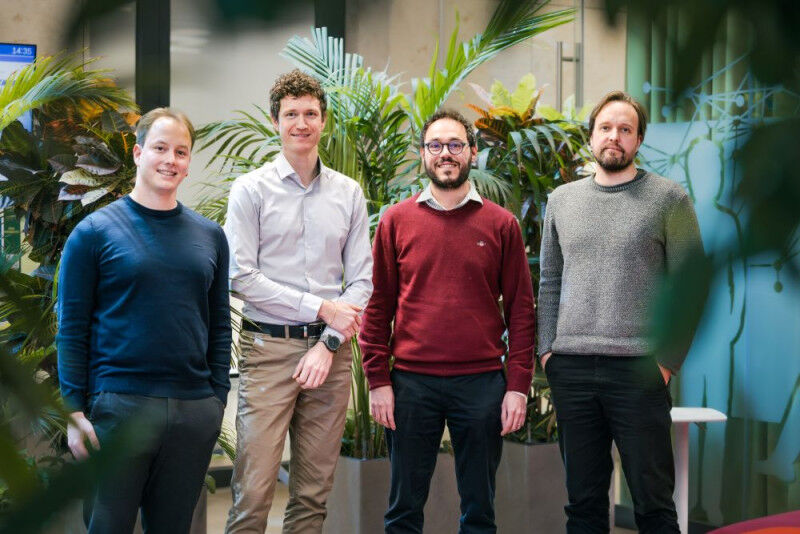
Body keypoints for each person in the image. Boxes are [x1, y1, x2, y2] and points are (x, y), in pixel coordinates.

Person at [359, 109, 536, 534]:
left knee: (479, 512)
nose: (445, 153)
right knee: (403, 511)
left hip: (481, 385)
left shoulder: (502, 224)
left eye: (455, 145)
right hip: (411, 385)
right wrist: (378, 380)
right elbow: (378, 306)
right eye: (435, 145)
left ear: (472, 152)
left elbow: (521, 312)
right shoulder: (395, 221)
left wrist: (517, 387)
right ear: (423, 154)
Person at [57, 107, 231, 534]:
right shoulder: (93, 233)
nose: (170, 160)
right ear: (138, 153)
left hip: (193, 410)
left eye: (181, 152)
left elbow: (219, 324)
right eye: (160, 148)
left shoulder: (210, 235)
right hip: (119, 407)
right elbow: (72, 328)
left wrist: (216, 400)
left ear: (188, 162)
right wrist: (74, 411)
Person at [537, 90, 703, 533]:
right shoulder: (562, 200)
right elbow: (549, 281)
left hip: (639, 369)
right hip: (571, 369)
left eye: (625, 129)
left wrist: (666, 363)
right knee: (583, 506)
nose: (615, 136)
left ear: (639, 139)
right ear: (591, 136)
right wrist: (548, 352)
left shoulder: (668, 199)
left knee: (653, 506)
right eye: (606, 127)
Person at [223, 69, 373, 534]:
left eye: (310, 113)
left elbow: (362, 281)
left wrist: (327, 343)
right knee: (253, 494)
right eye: (291, 114)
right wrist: (321, 308)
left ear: (324, 121)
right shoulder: (251, 190)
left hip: (331, 356)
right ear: (275, 121)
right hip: (268, 351)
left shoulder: (348, 193)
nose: (301, 123)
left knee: (312, 496)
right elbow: (239, 276)